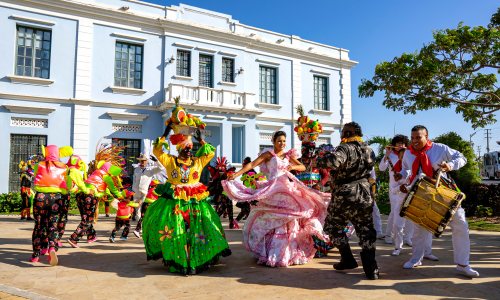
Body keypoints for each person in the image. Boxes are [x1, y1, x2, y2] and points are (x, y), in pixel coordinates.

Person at [142, 100, 231, 275]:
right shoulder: (170, 161)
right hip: (174, 203)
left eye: (190, 147)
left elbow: (210, 152)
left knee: (198, 228)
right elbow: (157, 150)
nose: (189, 150)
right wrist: (167, 131)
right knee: (175, 229)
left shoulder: (198, 162)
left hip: (196, 203)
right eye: (186, 148)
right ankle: (179, 258)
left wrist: (200, 138)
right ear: (179, 148)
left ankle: (197, 258)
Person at [223, 130, 330, 267]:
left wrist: (293, 166)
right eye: (279, 141)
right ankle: (270, 252)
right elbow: (252, 165)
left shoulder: (287, 155)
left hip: (287, 188)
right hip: (272, 188)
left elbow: (302, 167)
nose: (282, 143)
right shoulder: (268, 155)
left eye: (284, 141)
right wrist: (236, 174)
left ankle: (287, 252)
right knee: (273, 217)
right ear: (273, 142)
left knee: (290, 219)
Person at [400, 125, 479, 278]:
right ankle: (416, 258)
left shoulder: (440, 148)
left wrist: (450, 165)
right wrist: (404, 181)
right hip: (420, 194)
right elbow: (407, 171)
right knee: (419, 228)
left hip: (444, 193)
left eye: (418, 137)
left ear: (426, 137)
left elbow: (461, 158)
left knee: (461, 225)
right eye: (413, 137)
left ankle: (463, 264)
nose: (415, 141)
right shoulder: (408, 153)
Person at [317, 122, 379, 280]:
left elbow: (333, 162)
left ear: (350, 133)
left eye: (344, 132)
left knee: (332, 227)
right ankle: (371, 269)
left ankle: (348, 258)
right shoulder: (369, 149)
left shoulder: (344, 147)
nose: (341, 134)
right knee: (366, 230)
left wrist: (321, 159)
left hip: (345, 194)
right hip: (365, 193)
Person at [30, 145, 73, 265]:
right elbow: (68, 185)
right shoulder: (65, 167)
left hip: (41, 197)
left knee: (39, 225)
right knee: (53, 225)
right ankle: (52, 248)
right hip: (57, 198)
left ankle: (35, 255)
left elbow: (35, 176)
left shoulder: (39, 165)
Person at [67, 161, 123, 248]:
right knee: (87, 220)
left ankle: (91, 236)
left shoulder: (95, 173)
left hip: (80, 195)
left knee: (85, 217)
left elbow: (105, 189)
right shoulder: (106, 177)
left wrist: (110, 195)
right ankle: (74, 238)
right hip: (90, 196)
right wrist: (122, 196)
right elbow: (113, 189)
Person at [378, 135, 415, 255]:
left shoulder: (409, 154)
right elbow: (381, 168)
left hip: (408, 188)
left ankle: (408, 238)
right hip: (394, 189)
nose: (401, 146)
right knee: (394, 213)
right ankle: (389, 235)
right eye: (398, 143)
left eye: (403, 144)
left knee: (409, 214)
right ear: (395, 144)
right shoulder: (391, 155)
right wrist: (386, 155)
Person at [132, 153, 163, 219]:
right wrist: (133, 189)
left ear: (147, 161)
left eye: (144, 160)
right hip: (136, 191)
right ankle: (139, 224)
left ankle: (143, 221)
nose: (142, 162)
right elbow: (134, 180)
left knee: (143, 206)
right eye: (141, 160)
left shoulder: (150, 170)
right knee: (137, 208)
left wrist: (156, 161)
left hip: (144, 191)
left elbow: (161, 168)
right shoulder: (136, 169)